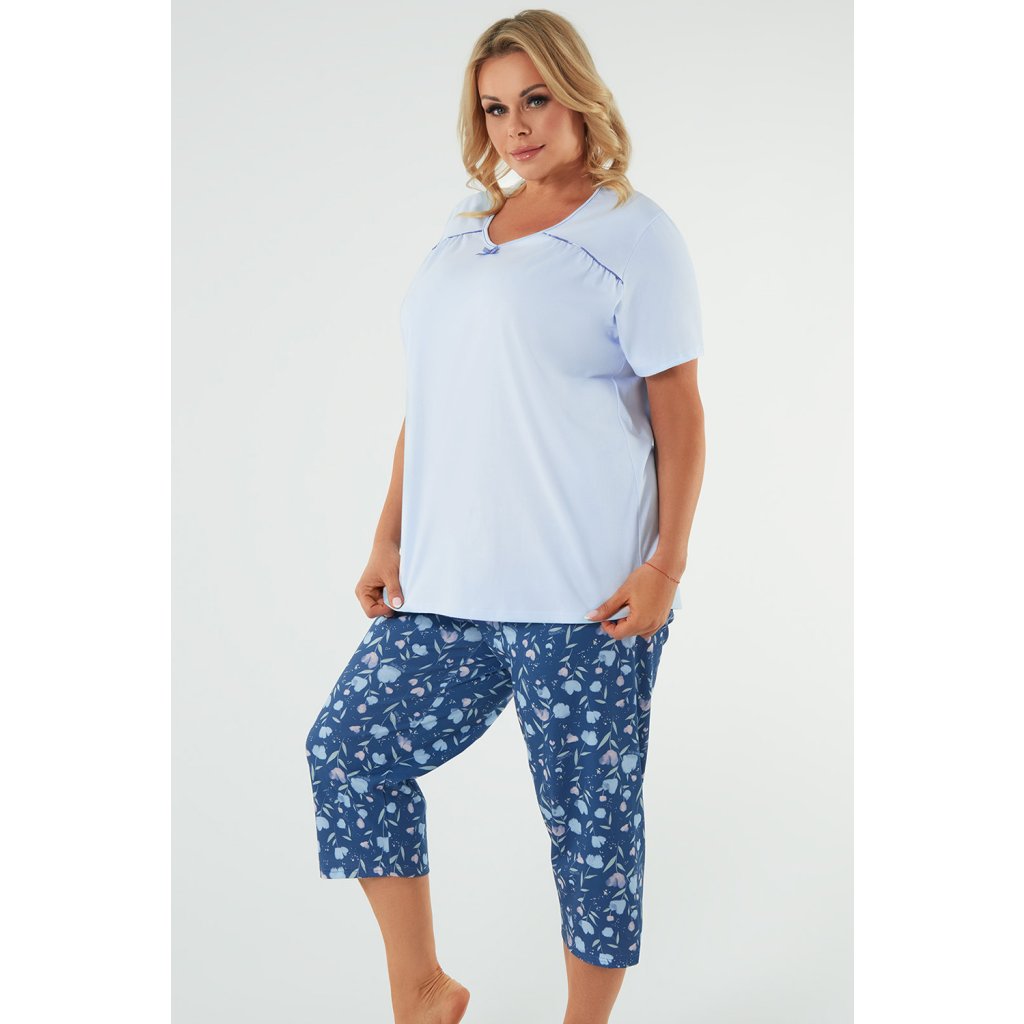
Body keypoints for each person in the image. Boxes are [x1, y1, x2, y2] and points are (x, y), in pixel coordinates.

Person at [304, 10, 706, 1024]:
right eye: (493, 108)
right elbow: (434, 397)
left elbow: (680, 411)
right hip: (447, 588)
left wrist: (665, 566)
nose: (516, 126)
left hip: (584, 600)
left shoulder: (634, 233)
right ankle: (422, 989)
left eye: (535, 99)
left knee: (589, 828)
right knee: (348, 751)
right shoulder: (461, 227)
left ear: (578, 95)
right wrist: (389, 534)